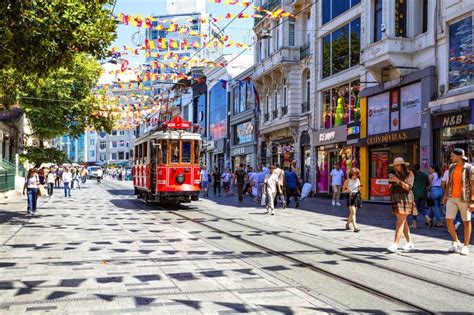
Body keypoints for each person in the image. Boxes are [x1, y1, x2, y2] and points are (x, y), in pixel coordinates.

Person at [443, 148, 473, 256]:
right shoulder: (452, 167)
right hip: (452, 197)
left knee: (466, 221)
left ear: (459, 156)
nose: (451, 158)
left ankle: (465, 246)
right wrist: (446, 195)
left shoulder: (470, 168)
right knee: (448, 220)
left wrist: (472, 201)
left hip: (464, 199)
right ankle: (456, 240)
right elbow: (449, 182)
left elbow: (473, 185)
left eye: (452, 156)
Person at [387, 157, 416, 253]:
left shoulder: (409, 174)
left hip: (406, 199)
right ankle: (409, 242)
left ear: (403, 165)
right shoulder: (394, 175)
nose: (396, 167)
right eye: (395, 165)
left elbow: (408, 188)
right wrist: (390, 183)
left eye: (398, 165)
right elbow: (391, 188)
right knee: (403, 222)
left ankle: (395, 244)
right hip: (396, 199)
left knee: (400, 222)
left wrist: (397, 181)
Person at [410, 164, 431, 228]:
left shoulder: (413, 175)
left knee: (414, 209)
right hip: (423, 194)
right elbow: (428, 184)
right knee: (421, 209)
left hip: (415, 194)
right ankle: (428, 218)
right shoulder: (424, 175)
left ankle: (414, 224)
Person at [342, 167, 362, 232]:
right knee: (353, 212)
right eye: (354, 174)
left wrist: (359, 188)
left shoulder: (358, 180)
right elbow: (343, 190)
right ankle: (355, 227)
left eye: (357, 174)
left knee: (353, 212)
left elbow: (359, 188)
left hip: (357, 196)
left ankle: (347, 224)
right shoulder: (347, 181)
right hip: (350, 196)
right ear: (351, 174)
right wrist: (348, 190)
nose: (356, 176)